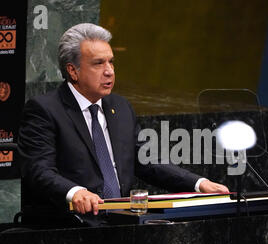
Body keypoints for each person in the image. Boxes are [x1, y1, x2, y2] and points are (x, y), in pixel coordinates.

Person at [17, 23, 228, 227]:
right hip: (69, 226)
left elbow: (145, 160)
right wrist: (75, 192)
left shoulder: (120, 107)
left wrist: (198, 184)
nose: (109, 71)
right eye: (98, 63)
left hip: (122, 222)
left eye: (111, 62)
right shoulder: (44, 110)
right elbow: (38, 170)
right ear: (73, 71)